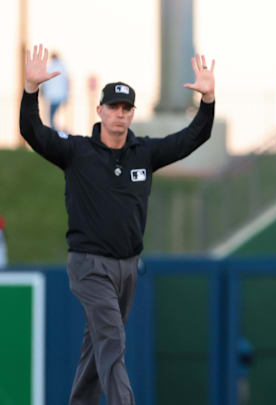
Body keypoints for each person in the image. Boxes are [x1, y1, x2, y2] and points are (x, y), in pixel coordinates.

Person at [20, 44, 215, 405]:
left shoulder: (144, 152)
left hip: (127, 268)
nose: (120, 114)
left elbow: (192, 138)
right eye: (114, 107)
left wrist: (208, 101)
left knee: (97, 349)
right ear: (100, 110)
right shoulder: (77, 152)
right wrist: (31, 91)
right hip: (89, 265)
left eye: (127, 108)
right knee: (112, 340)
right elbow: (34, 132)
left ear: (132, 114)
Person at [42, 52, 70, 130]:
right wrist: (67, 95)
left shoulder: (50, 68)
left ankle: (54, 131)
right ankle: (61, 131)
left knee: (52, 116)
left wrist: (44, 94)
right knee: (61, 116)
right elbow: (67, 82)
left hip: (52, 97)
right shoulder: (63, 68)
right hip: (62, 96)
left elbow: (45, 83)